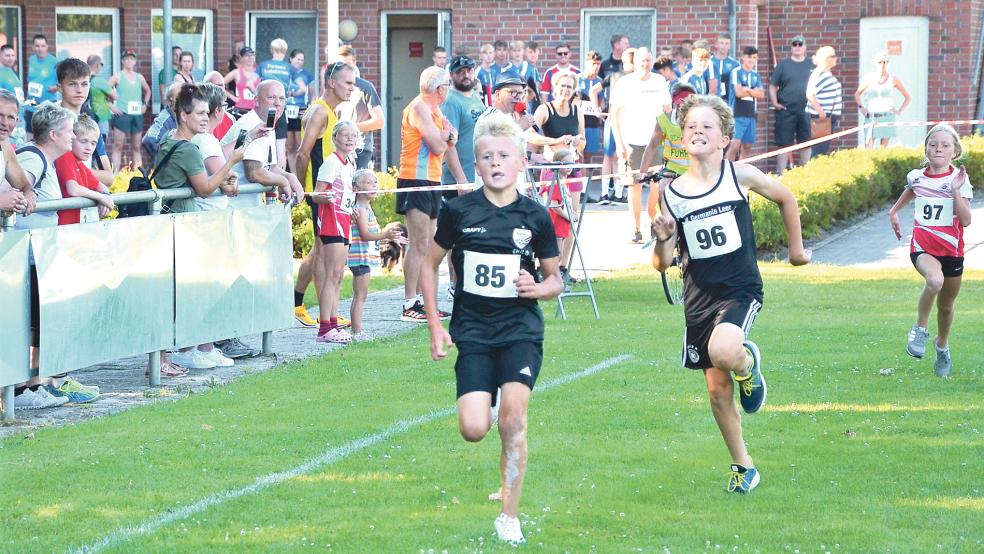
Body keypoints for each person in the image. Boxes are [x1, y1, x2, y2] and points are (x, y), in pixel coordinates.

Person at [651, 94, 811, 494]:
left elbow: (786, 198)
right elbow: (661, 263)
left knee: (725, 351)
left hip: (740, 289)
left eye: (707, 127)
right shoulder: (669, 194)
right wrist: (664, 239)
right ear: (681, 137)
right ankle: (744, 465)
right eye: (691, 126)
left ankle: (748, 363)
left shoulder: (739, 175)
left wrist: (796, 252)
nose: (698, 132)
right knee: (717, 390)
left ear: (724, 137)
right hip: (698, 298)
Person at [421, 111, 563, 545]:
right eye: (486, 157)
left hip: (520, 328)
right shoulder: (459, 211)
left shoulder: (535, 216)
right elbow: (429, 265)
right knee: (473, 428)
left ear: (521, 161)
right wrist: (434, 326)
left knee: (514, 421)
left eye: (504, 155)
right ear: (476, 163)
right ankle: (495, 400)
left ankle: (509, 516)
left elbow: (557, 279)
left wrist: (536, 288)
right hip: (474, 332)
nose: (495, 163)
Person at [13, 102, 103, 408]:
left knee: (40, 320)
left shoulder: (44, 159)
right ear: (53, 134)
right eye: (68, 131)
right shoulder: (33, 157)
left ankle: (36, 384)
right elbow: (11, 189)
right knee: (32, 322)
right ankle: (25, 389)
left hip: (39, 254)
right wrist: (23, 193)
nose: (73, 136)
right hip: (27, 255)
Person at [154, 84, 244, 371]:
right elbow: (204, 188)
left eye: (208, 112)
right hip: (181, 224)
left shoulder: (170, 141)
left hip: (176, 223)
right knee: (186, 293)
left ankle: (184, 351)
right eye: (200, 113)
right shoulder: (188, 149)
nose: (206, 118)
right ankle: (181, 351)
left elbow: (208, 181)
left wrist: (225, 178)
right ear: (183, 115)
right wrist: (232, 162)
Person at [889, 124, 972, 377]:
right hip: (923, 248)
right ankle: (920, 329)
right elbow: (910, 191)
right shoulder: (916, 176)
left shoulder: (959, 179)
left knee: (946, 306)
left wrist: (956, 192)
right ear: (926, 148)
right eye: (933, 144)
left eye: (945, 145)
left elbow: (966, 220)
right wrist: (893, 212)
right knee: (934, 281)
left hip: (951, 252)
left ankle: (942, 346)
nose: (938, 149)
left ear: (954, 152)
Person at [291, 61, 355, 328]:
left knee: (318, 250)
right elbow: (303, 152)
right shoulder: (320, 112)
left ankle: (303, 305)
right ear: (332, 82)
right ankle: (320, 315)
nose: (352, 88)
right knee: (323, 252)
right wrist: (302, 188)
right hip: (320, 192)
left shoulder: (330, 111)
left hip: (328, 192)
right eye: (348, 83)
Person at [396, 66, 455, 322]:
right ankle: (410, 302)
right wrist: (444, 137)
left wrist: (445, 137)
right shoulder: (419, 107)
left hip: (433, 178)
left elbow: (449, 140)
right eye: (447, 85)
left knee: (430, 245)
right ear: (439, 88)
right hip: (415, 178)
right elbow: (436, 144)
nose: (449, 90)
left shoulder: (436, 111)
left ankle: (424, 301)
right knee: (418, 243)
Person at [611, 47, 671, 243]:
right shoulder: (624, 83)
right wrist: (619, 143)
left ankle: (652, 220)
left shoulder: (660, 81)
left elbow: (667, 110)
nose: (645, 64)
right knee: (634, 186)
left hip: (655, 142)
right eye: (641, 61)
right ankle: (635, 229)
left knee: (657, 185)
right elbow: (615, 116)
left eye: (648, 60)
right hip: (631, 142)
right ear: (635, 62)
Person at [311, 120, 359, 343]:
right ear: (335, 138)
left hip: (344, 219)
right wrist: (327, 197)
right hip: (331, 222)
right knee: (332, 274)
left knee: (339, 275)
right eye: (345, 135)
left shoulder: (350, 164)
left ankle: (334, 324)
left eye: (354, 136)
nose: (350, 139)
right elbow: (316, 194)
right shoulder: (331, 163)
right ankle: (324, 328)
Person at [347, 169, 405, 341]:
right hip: (360, 258)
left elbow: (373, 232)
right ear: (356, 188)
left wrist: (391, 236)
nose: (373, 185)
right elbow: (365, 234)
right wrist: (386, 234)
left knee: (361, 296)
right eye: (368, 182)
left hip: (365, 257)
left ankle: (357, 330)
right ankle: (357, 332)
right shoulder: (360, 209)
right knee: (360, 296)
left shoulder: (366, 207)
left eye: (375, 182)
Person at [637, 83, 697, 234]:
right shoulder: (664, 120)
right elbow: (651, 147)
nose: (685, 109)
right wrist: (643, 172)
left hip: (694, 169)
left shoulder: (699, 120)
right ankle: (665, 227)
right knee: (663, 190)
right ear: (675, 102)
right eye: (682, 104)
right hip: (672, 167)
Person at [591, 47, 635, 204]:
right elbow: (594, 90)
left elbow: (594, 90)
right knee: (616, 157)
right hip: (621, 119)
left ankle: (608, 193)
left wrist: (597, 109)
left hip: (615, 119)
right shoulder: (627, 78)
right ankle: (614, 193)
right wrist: (596, 109)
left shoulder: (614, 76)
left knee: (611, 157)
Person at [54, 114, 113, 226]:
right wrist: (101, 197)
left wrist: (105, 196)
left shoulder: (80, 165)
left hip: (76, 226)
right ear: (71, 139)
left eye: (93, 143)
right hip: (64, 227)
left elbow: (100, 186)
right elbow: (73, 189)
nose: (89, 148)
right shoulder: (65, 155)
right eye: (83, 141)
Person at [769, 35, 813, 174]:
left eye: (800, 44)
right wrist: (775, 103)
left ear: (805, 47)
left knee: (805, 143)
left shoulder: (811, 65)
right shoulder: (783, 65)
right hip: (785, 110)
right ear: (791, 47)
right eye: (795, 44)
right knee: (784, 144)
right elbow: (772, 85)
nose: (797, 47)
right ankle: (780, 174)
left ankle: (804, 174)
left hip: (805, 110)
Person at [337, 45, 384, 170]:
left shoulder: (365, 87)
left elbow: (379, 121)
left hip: (360, 147)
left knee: (358, 186)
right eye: (340, 65)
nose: (345, 69)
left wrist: (353, 128)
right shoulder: (333, 88)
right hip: (338, 146)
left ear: (354, 63)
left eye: (348, 64)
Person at [855, 51, 911, 149]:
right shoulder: (869, 78)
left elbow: (907, 97)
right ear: (875, 63)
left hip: (887, 117)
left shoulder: (893, 79)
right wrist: (861, 107)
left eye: (884, 62)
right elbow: (857, 94)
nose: (882, 65)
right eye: (879, 62)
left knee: (883, 150)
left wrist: (899, 111)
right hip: (871, 116)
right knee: (869, 147)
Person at [109, 51, 152, 171]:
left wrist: (145, 105)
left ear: (135, 62)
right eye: (126, 59)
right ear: (123, 61)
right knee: (118, 146)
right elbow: (104, 91)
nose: (129, 61)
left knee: (137, 146)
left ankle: (138, 175)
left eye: (131, 59)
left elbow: (148, 90)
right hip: (122, 114)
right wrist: (112, 107)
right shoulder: (118, 76)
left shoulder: (139, 77)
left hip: (137, 114)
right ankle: (114, 175)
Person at [259, 39, 294, 169]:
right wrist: (289, 94)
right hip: (280, 107)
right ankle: (280, 185)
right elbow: (299, 88)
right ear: (284, 51)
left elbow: (252, 83)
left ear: (272, 50)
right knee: (280, 147)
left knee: (264, 142)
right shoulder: (289, 68)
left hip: (266, 107)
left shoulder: (263, 65)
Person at [726, 47, 765, 161]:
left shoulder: (756, 75)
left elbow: (761, 95)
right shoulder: (736, 72)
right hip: (737, 113)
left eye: (754, 57)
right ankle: (727, 170)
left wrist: (747, 90)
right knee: (734, 145)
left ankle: (741, 173)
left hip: (750, 114)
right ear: (743, 57)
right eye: (749, 57)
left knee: (747, 147)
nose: (751, 60)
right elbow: (738, 93)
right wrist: (753, 91)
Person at [0, 90, 33, 219]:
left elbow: (24, 185)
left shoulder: (4, 146)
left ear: (17, 121)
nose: (4, 122)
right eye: (0, 115)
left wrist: (29, 194)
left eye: (10, 117)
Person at [805, 46, 842, 157]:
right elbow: (810, 94)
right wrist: (821, 113)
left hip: (826, 116)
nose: (836, 58)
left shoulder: (826, 73)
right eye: (833, 56)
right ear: (827, 59)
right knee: (819, 149)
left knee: (822, 148)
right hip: (819, 117)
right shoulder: (820, 73)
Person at [25, 35, 59, 141]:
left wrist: (55, 88)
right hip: (32, 103)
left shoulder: (54, 62)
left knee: (47, 133)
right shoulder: (31, 60)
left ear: (47, 46)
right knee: (30, 133)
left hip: (48, 103)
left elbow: (63, 81)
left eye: (43, 46)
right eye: (37, 46)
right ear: (33, 47)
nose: (40, 49)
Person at [285, 49, 313, 171]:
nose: (300, 62)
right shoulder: (284, 72)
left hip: (300, 109)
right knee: (289, 146)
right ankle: (293, 174)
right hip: (286, 110)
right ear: (291, 59)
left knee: (299, 144)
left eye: (302, 60)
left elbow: (312, 91)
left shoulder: (306, 74)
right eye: (298, 59)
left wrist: (310, 107)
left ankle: (301, 173)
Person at [576, 51, 604, 167]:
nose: (596, 66)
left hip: (593, 122)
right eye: (593, 63)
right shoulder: (578, 79)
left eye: (598, 64)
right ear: (587, 63)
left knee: (588, 156)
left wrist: (601, 112)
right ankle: (579, 182)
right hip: (579, 121)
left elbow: (601, 101)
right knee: (579, 153)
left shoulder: (600, 81)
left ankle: (587, 182)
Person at [225, 46, 261, 118]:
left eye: (252, 55)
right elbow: (218, 84)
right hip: (241, 109)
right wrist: (232, 97)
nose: (250, 58)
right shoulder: (237, 72)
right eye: (247, 56)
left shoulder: (258, 71)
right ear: (241, 58)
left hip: (256, 109)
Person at [86, 55, 115, 143]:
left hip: (86, 114)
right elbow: (114, 96)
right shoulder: (100, 81)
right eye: (101, 65)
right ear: (98, 65)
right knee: (100, 143)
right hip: (101, 115)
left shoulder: (84, 79)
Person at [711, 34, 740, 100]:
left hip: (728, 101)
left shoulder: (735, 64)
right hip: (712, 100)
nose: (724, 46)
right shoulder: (709, 62)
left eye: (726, 44)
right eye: (721, 43)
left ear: (730, 46)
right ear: (716, 44)